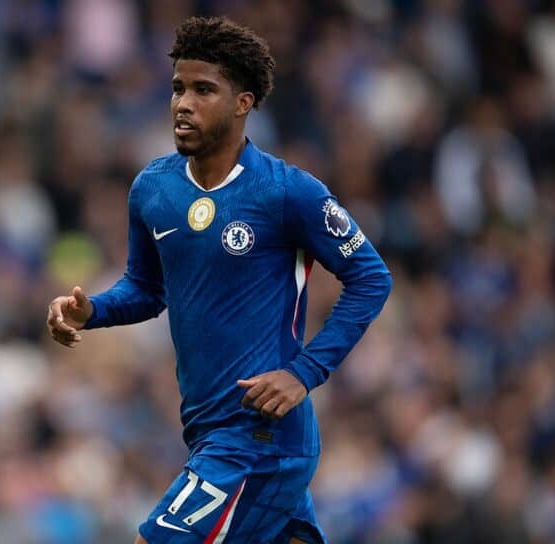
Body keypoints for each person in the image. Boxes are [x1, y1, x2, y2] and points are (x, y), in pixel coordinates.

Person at [47, 16, 392, 544]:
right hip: (210, 432)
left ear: (243, 102)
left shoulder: (286, 193)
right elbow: (147, 288)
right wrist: (92, 310)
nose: (183, 103)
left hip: (258, 438)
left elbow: (371, 277)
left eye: (203, 90)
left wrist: (304, 372)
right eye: (178, 88)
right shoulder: (153, 188)